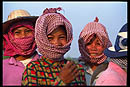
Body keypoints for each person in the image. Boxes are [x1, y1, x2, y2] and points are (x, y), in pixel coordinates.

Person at [22, 7, 86, 86]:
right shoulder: (33, 69)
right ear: (42, 39)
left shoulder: (76, 69)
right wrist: (62, 81)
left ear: (68, 38)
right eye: (50, 38)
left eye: (62, 37)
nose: (57, 43)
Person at [78, 17, 127, 86]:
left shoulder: (114, 69)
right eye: (89, 43)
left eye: (98, 43)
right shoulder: (75, 70)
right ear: (82, 45)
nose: (93, 47)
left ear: (105, 44)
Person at [3, 9, 40, 86]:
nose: (23, 36)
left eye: (27, 31)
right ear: (9, 37)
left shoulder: (47, 63)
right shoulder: (3, 67)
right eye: (17, 32)